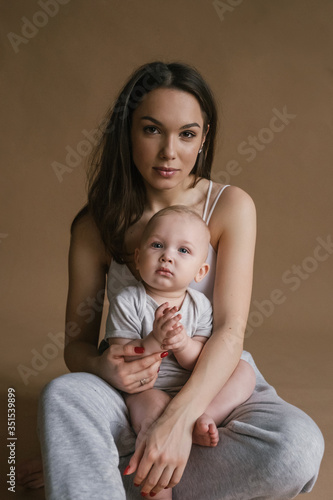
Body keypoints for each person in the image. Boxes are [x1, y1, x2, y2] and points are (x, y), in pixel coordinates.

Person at [32, 61, 323, 499]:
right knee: (61, 397)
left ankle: (115, 467)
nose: (170, 151)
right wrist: (99, 366)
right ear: (127, 132)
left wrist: (177, 422)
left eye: (187, 134)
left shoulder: (230, 206)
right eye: (152, 130)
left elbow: (229, 330)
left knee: (297, 449)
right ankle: (125, 463)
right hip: (135, 388)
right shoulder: (96, 225)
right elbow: (77, 345)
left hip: (212, 381)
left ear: (203, 139)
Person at [105, 206, 256, 476]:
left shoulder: (200, 305)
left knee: (244, 372)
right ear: (138, 259)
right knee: (154, 412)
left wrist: (183, 343)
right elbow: (121, 357)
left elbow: (198, 361)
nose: (167, 256)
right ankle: (155, 472)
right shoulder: (128, 301)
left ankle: (203, 416)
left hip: (195, 388)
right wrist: (154, 341)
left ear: (200, 271)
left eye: (183, 250)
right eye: (157, 245)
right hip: (147, 387)